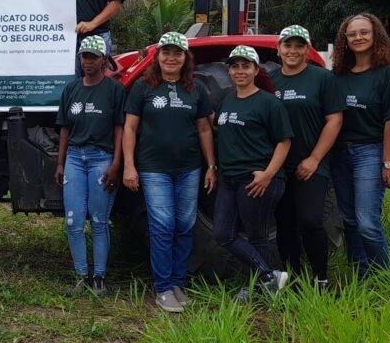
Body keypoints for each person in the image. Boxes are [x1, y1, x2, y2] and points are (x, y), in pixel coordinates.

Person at [122, 32, 216, 313]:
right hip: (154, 169)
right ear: (158, 56)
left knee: (184, 225)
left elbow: (204, 129)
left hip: (189, 168)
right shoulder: (143, 87)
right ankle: (163, 287)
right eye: (166, 52)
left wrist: (211, 166)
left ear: (185, 58)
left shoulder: (196, 89)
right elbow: (130, 128)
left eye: (177, 53)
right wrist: (129, 165)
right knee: (163, 226)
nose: (171, 58)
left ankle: (177, 283)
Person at [213, 45, 294, 303]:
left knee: (256, 234)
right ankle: (269, 278)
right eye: (235, 66)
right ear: (229, 71)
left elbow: (284, 142)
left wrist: (268, 175)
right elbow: (218, 129)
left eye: (246, 66)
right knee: (223, 234)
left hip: (256, 178)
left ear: (256, 70)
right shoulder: (227, 100)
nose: (240, 71)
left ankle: (260, 288)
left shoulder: (269, 103)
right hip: (229, 178)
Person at [330, 12, 390, 278]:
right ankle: (361, 275)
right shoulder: (337, 76)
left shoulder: (389, 74)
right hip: (339, 153)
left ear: (376, 36)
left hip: (369, 152)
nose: (358, 37)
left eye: (364, 32)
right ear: (345, 40)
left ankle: (383, 278)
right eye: (351, 34)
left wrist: (388, 162)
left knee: (367, 222)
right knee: (349, 220)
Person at [270, 25, 344, 289]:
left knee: (310, 220)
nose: (293, 51)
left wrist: (314, 158)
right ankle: (294, 277)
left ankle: (321, 279)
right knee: (285, 223)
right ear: (278, 49)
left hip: (312, 163)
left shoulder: (322, 78)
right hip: (279, 166)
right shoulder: (269, 80)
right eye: (287, 45)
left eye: (299, 46)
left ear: (307, 49)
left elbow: (334, 120)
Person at [55, 35, 125, 296]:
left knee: (98, 220)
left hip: (101, 158)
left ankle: (99, 278)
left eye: (93, 57)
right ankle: (81, 276)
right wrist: (60, 163)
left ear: (104, 60)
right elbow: (64, 129)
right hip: (74, 157)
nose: (87, 62)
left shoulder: (114, 90)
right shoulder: (71, 89)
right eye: (84, 56)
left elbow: (119, 129)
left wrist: (116, 163)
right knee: (73, 220)